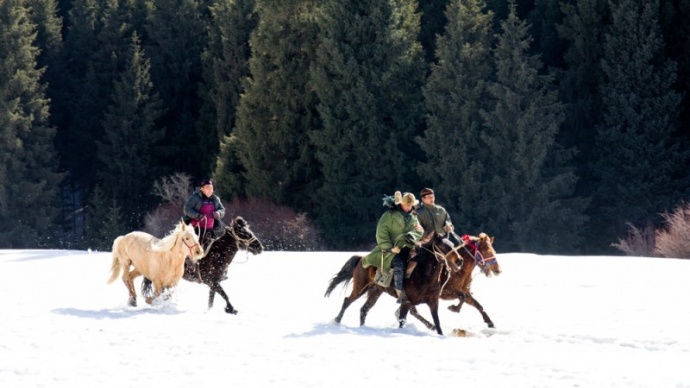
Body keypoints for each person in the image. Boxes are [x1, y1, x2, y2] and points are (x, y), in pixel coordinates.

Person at [361, 191, 423, 304]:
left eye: (410, 205)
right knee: (399, 263)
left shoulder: (413, 216)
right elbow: (381, 233)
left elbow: (419, 230)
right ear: (401, 203)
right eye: (406, 205)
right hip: (391, 249)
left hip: (408, 246)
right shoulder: (389, 215)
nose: (408, 207)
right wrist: (390, 247)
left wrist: (412, 235)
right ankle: (400, 292)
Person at [407, 188, 454, 278]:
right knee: (416, 261)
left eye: (432, 196)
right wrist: (429, 236)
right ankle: (407, 279)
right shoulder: (418, 212)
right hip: (426, 245)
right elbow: (416, 229)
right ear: (423, 199)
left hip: (442, 243)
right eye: (428, 197)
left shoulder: (441, 210)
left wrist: (449, 227)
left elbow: (449, 223)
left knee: (455, 257)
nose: (431, 199)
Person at [183, 179, 225, 245]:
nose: (210, 190)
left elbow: (222, 209)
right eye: (207, 188)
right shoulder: (195, 198)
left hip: (210, 230)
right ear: (202, 189)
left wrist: (218, 213)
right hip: (196, 229)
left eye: (211, 188)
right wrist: (198, 216)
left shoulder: (215, 199)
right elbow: (187, 209)